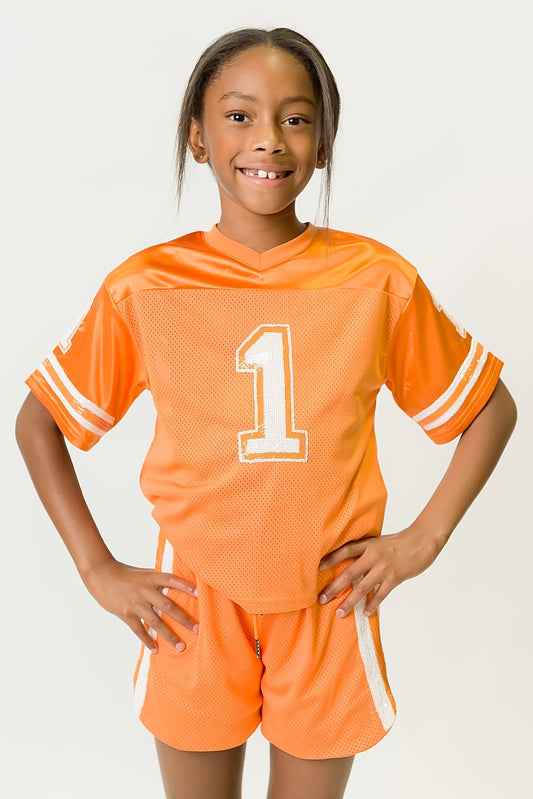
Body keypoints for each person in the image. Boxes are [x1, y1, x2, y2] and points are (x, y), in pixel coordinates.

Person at [15, 26, 517, 799]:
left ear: (322, 144)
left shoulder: (374, 278)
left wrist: (423, 538)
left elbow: (488, 408)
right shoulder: (146, 286)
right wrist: (98, 568)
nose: (269, 140)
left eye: (295, 117)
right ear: (197, 137)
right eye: (240, 115)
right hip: (190, 605)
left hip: (326, 600)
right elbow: (40, 420)